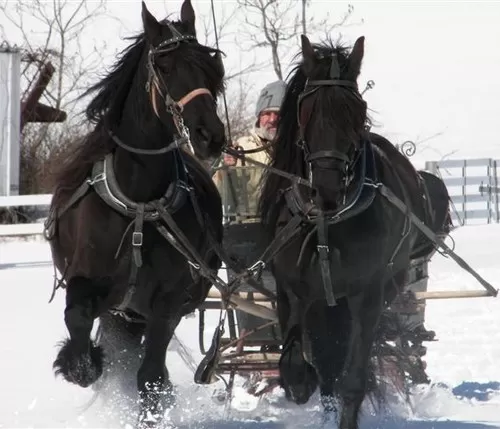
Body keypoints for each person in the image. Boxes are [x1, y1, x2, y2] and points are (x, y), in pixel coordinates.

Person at [213, 80, 287, 222]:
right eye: (267, 113)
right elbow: (220, 195)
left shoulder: (298, 148)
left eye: (278, 113)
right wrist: (226, 168)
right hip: (250, 227)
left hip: (288, 226)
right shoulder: (242, 148)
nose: (272, 119)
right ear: (259, 117)